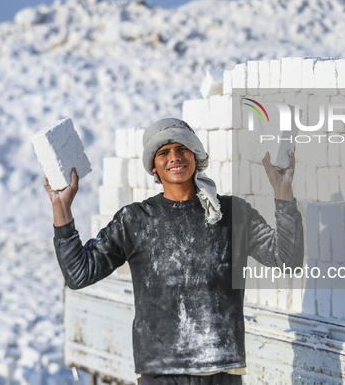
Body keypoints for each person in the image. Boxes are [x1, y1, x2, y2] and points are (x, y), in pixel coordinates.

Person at [44, 118, 304, 385]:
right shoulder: (134, 220)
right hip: (160, 374)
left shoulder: (233, 214)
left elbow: (288, 259)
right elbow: (79, 274)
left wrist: (283, 192)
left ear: (196, 156)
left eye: (182, 149)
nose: (175, 158)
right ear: (153, 166)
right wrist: (61, 210)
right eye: (163, 152)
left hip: (221, 372)